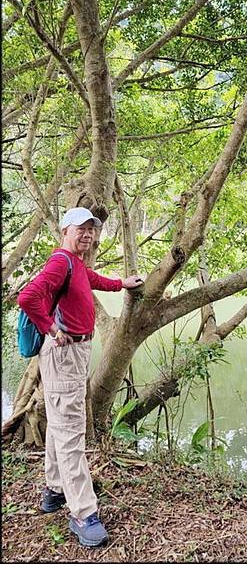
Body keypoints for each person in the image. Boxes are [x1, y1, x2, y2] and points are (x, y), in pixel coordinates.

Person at [17, 207, 144, 548]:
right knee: (72, 431)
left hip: (72, 354)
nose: (87, 235)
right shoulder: (60, 261)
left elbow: (93, 281)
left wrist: (121, 284)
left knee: (61, 423)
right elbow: (27, 296)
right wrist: (51, 327)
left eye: (92, 230)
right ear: (65, 230)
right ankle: (82, 513)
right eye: (81, 229)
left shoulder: (75, 263)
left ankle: (55, 490)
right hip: (64, 354)